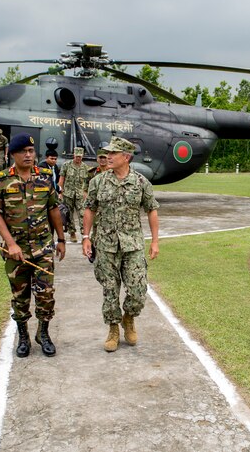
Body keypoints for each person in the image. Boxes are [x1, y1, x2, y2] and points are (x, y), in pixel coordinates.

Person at [0, 133, 66, 358]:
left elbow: (53, 209)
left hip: (43, 247)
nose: (29, 155)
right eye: (24, 151)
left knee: (46, 295)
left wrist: (60, 239)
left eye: (31, 151)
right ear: (13, 154)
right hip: (16, 250)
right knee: (20, 297)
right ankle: (23, 336)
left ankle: (43, 333)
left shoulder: (44, 177)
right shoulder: (0, 179)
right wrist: (11, 244)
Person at [82, 136, 160, 352]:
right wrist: (85, 237)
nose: (108, 157)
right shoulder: (97, 181)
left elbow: (152, 210)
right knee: (110, 290)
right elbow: (90, 208)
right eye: (107, 153)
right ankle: (113, 329)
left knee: (137, 291)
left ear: (126, 157)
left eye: (113, 153)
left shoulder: (141, 182)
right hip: (105, 245)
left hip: (132, 245)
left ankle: (129, 318)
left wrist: (154, 241)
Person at [58, 147, 90, 242]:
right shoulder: (66, 165)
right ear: (74, 156)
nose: (78, 159)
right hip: (68, 194)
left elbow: (86, 181)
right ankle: (72, 233)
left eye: (80, 157)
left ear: (82, 156)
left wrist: (85, 192)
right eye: (76, 157)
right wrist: (60, 192)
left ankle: (84, 234)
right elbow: (61, 178)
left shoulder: (85, 167)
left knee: (82, 214)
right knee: (69, 215)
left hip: (80, 195)